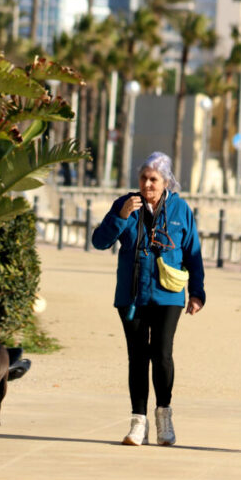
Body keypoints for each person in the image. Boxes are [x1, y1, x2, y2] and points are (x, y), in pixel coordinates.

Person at [91, 152, 206, 447]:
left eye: (153, 179)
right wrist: (121, 216)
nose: (147, 184)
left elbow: (193, 253)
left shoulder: (181, 209)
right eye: (143, 178)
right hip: (131, 295)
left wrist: (197, 292)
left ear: (166, 181)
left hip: (169, 294)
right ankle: (138, 423)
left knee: (162, 354)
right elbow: (99, 241)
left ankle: (164, 417)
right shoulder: (125, 204)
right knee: (138, 357)